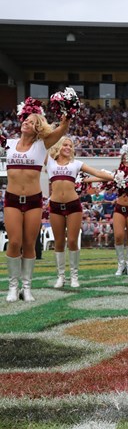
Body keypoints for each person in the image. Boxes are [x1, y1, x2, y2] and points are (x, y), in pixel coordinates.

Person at [5, 111, 69, 302]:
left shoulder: (42, 145)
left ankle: (27, 287)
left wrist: (67, 118)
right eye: (26, 120)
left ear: (37, 128)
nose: (26, 123)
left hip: (33, 201)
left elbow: (61, 130)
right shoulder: (7, 143)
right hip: (12, 200)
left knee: (29, 243)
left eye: (32, 122)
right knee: (14, 242)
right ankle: (13, 287)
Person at [46, 137, 113, 287]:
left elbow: (96, 172)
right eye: (65, 144)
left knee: (71, 240)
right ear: (58, 146)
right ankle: (61, 276)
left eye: (70, 145)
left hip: (73, 205)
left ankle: (74, 276)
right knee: (58, 242)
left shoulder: (76, 164)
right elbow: (44, 142)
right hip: (55, 206)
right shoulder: (49, 161)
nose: (68, 147)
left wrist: (115, 177)